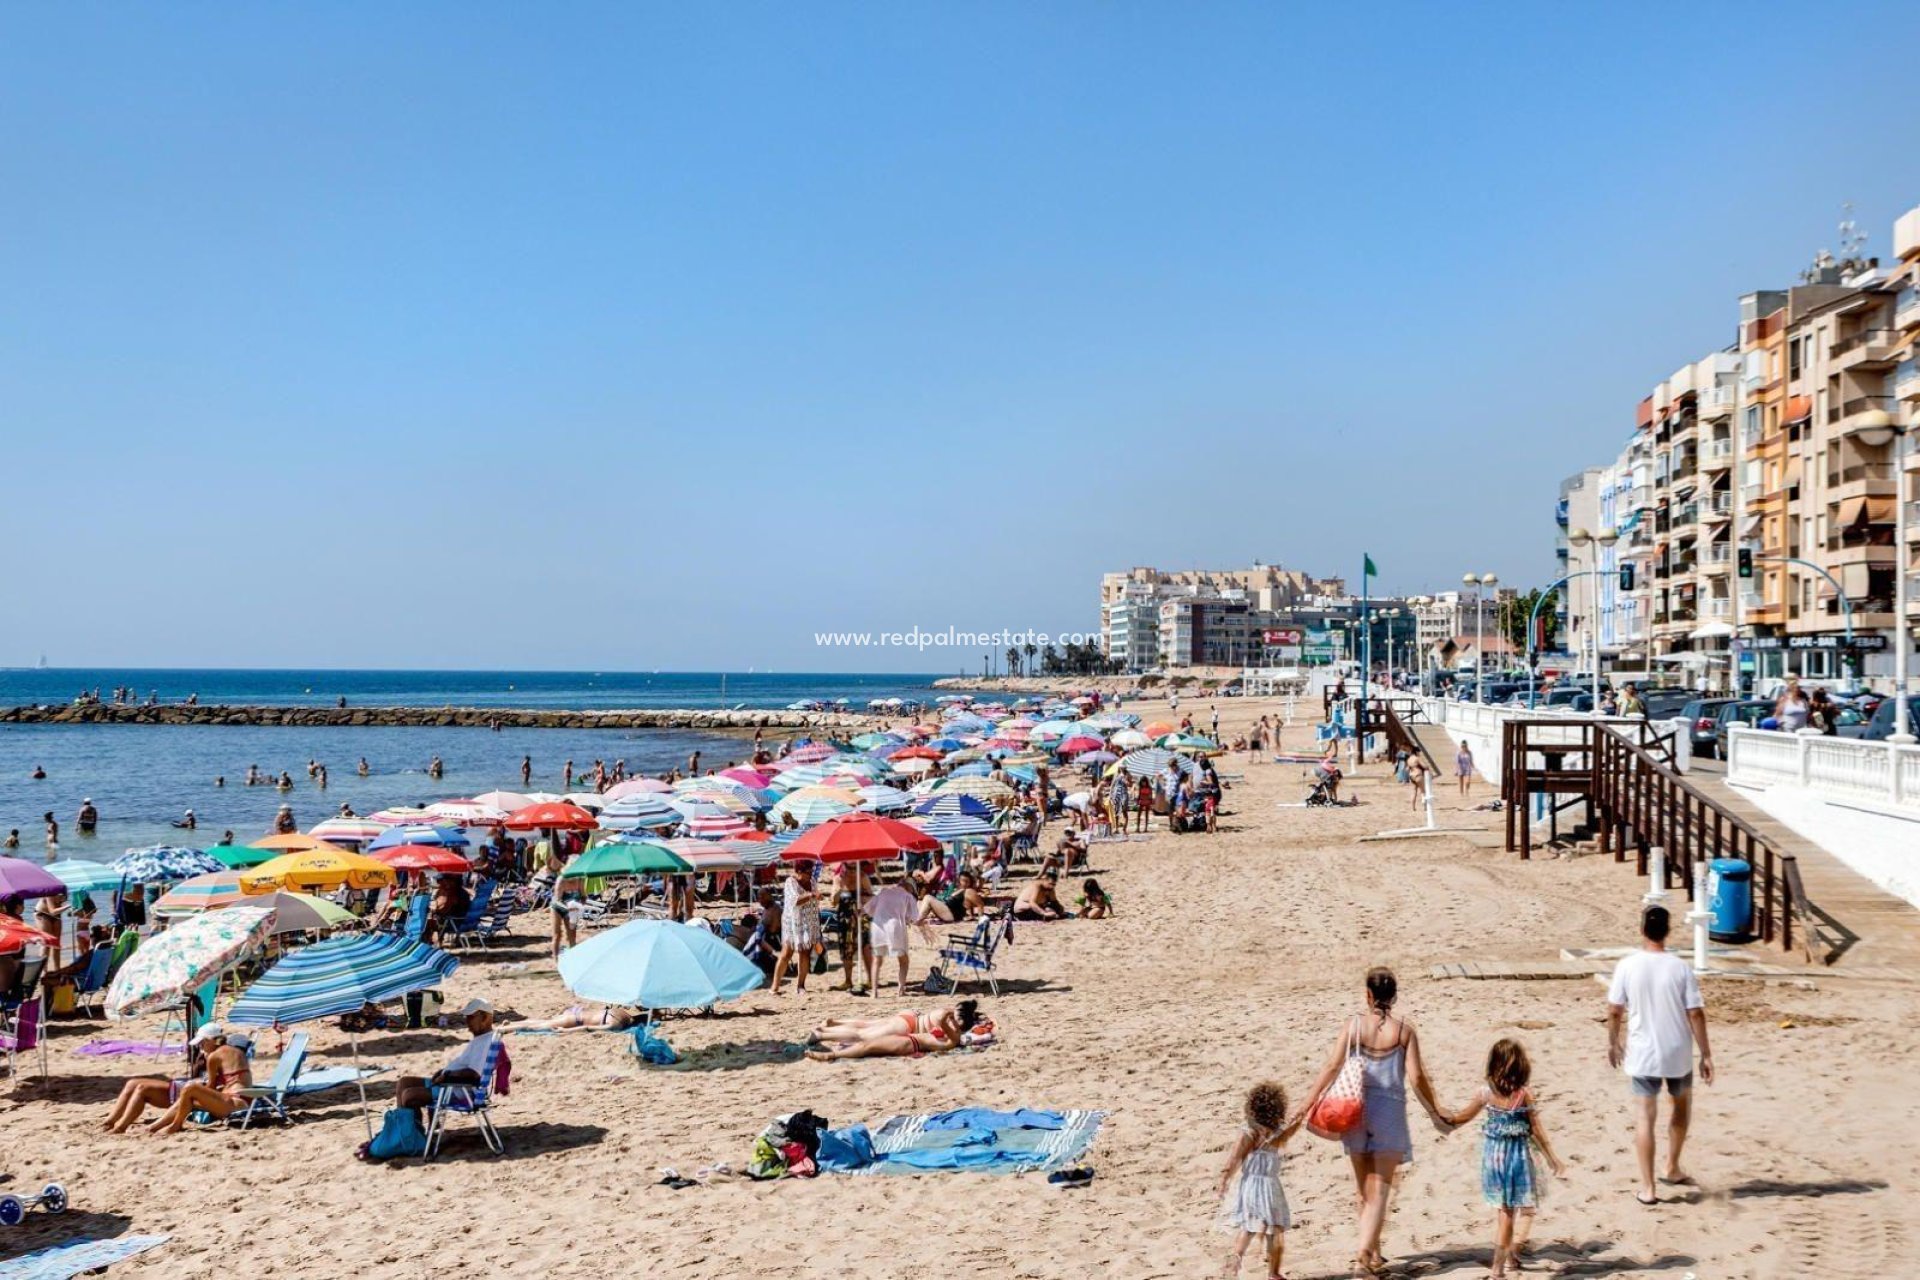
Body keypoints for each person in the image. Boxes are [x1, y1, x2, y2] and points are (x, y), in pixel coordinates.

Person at [1300, 968, 1450, 1279]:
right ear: (1394, 996)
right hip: (1390, 1113)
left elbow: (1332, 1065)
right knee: (1380, 1189)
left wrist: (1309, 1102)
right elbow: (1417, 1076)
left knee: (1363, 1190)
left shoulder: (1353, 1026)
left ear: (1368, 995)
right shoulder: (1404, 1030)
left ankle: (1375, 1252)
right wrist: (1434, 1111)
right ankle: (1362, 1258)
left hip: (1355, 1110)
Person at [1607, 905, 1713, 1205]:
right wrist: (1706, 1053)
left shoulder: (1627, 965)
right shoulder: (1680, 967)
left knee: (1645, 1117)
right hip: (1677, 1050)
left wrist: (1613, 1043)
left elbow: (1615, 1010)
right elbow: (1696, 1013)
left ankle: (1648, 1187)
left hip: (1643, 1052)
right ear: (1667, 931)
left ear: (1642, 929)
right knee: (1680, 1108)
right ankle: (1672, 1165)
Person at [1442, 1039, 1567, 1280]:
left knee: (1503, 1209)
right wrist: (1552, 1157)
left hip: (1493, 1159)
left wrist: (1441, 1115)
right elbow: (1537, 1130)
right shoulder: (1524, 1094)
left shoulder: (1485, 1093)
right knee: (1508, 1213)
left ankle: (1510, 1256)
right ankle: (1498, 1268)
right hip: (1516, 1159)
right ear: (1521, 1066)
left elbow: (1461, 1118)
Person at [1216, 1080, 1303, 1280]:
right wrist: (1299, 1119)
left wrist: (1224, 1179)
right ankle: (1273, 1273)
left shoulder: (1249, 1131)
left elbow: (1235, 1158)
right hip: (1269, 1186)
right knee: (1275, 1229)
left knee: (1248, 1226)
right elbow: (1290, 1131)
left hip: (1249, 1185)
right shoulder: (1275, 1132)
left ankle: (1235, 1260)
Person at [396, 999, 497, 1112]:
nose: (467, 1021)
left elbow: (474, 1074)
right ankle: (405, 1126)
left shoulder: (485, 1042)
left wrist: (446, 1075)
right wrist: (442, 1072)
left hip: (457, 1090)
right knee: (404, 1082)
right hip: (450, 1085)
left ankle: (410, 1128)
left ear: (484, 1017)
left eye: (471, 1017)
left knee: (409, 1096)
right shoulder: (481, 1039)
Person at [808, 1001, 980, 1046]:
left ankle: (831, 1025)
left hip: (909, 1016)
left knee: (867, 1026)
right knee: (862, 1037)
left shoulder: (952, 1009)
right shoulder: (949, 1020)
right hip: (908, 1026)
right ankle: (821, 1034)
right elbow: (951, 1035)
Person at [770, 863, 822, 995]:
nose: (810, 875)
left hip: (809, 921)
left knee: (805, 952)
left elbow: (815, 900)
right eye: (808, 872)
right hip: (792, 922)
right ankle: (775, 986)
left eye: (811, 872)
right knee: (786, 953)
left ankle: (801, 986)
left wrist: (816, 897)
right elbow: (795, 901)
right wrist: (811, 895)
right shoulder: (790, 882)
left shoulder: (812, 881)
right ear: (799, 871)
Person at [863, 875, 917, 997]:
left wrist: (859, 911)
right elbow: (912, 917)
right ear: (910, 887)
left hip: (878, 926)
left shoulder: (884, 892)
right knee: (903, 961)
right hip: (895, 928)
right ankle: (901, 990)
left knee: (877, 960)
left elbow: (868, 909)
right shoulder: (907, 896)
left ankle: (874, 992)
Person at [512, 1003, 640, 1033]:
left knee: (544, 1021)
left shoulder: (621, 1012)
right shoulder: (616, 1024)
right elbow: (587, 1028)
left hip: (578, 1011)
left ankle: (510, 1023)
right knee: (536, 1028)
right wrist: (565, 1031)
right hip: (575, 1020)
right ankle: (503, 1029)